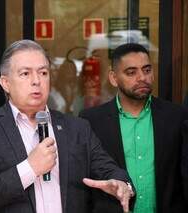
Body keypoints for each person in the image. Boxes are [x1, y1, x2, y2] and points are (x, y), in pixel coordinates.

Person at [0, 39, 135, 213]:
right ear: (5, 83)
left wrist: (123, 184)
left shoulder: (77, 128)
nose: (36, 81)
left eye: (43, 73)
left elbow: (110, 170)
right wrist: (30, 168)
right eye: (25, 74)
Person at [80, 43, 188, 213]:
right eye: (131, 72)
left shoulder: (176, 116)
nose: (142, 77)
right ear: (113, 78)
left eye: (146, 70)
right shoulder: (91, 121)